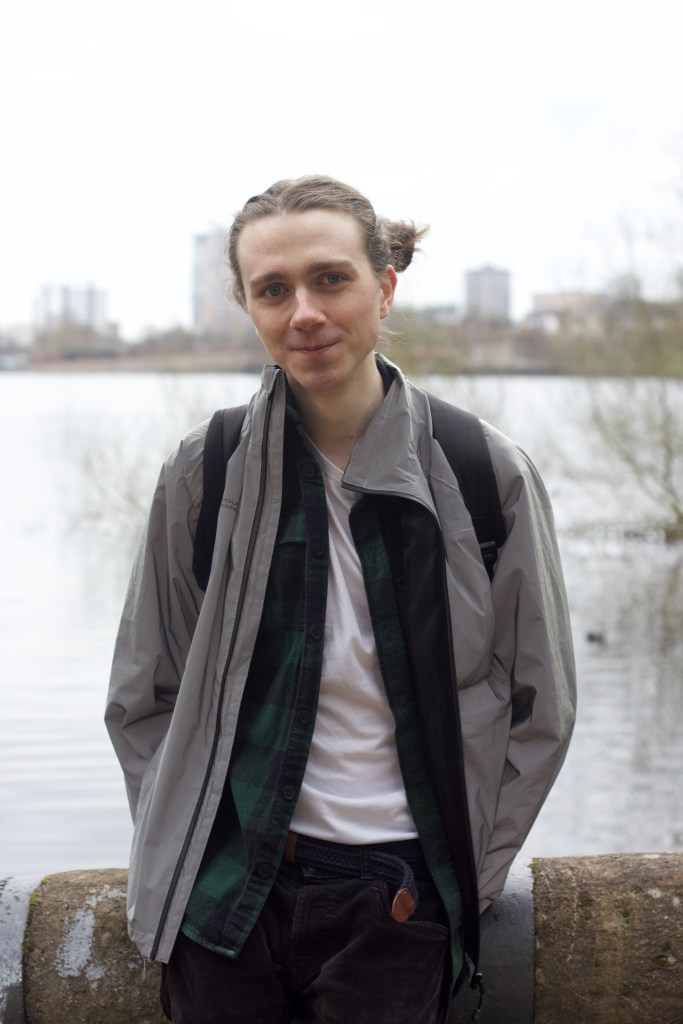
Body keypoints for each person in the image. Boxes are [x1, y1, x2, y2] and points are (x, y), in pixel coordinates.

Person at [105, 175, 576, 1024]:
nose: (304, 313)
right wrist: (177, 844)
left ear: (384, 285)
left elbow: (542, 708)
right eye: (272, 290)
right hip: (225, 893)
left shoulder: (481, 471)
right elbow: (143, 695)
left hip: (401, 896)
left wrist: (464, 878)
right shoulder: (203, 471)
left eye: (330, 279)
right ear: (247, 306)